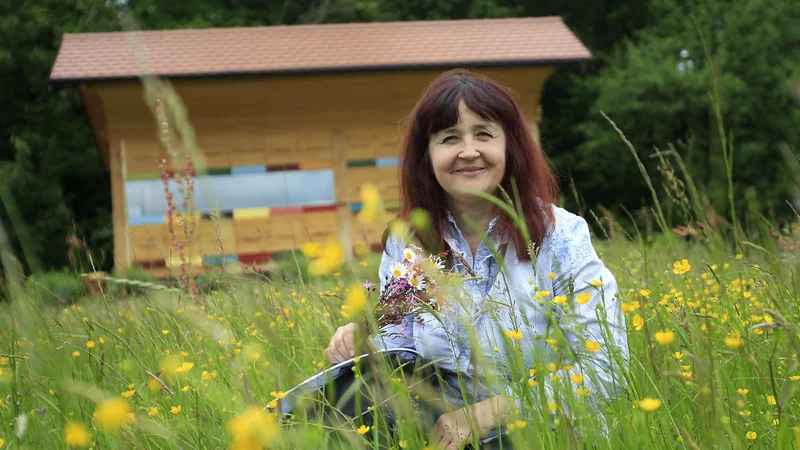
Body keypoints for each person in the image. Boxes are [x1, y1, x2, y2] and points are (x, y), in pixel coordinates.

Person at [323, 68, 629, 449]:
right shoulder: (408, 241)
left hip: (543, 433)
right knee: (349, 391)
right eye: (449, 138)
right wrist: (365, 340)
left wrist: (487, 414)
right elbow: (403, 340)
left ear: (510, 146)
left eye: (484, 134)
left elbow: (606, 369)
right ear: (427, 156)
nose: (468, 151)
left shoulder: (562, 237)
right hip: (441, 433)